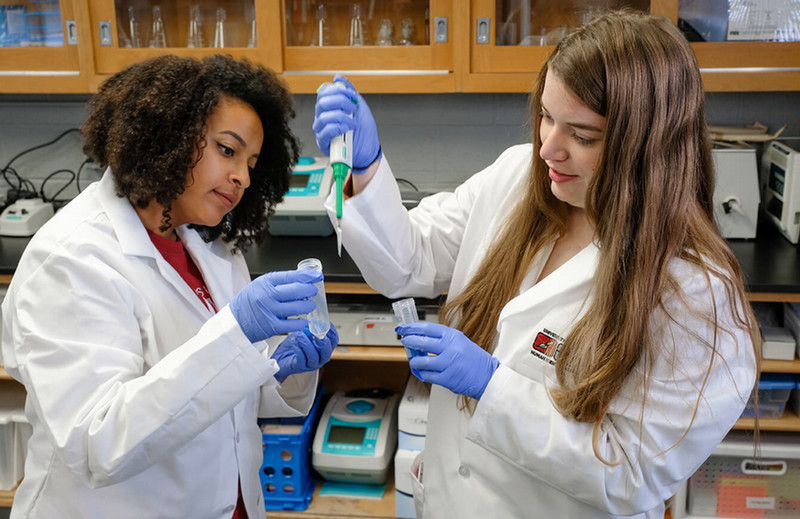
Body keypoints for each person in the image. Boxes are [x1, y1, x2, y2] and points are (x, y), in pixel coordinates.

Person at [312, 10, 760, 519]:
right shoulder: (517, 179)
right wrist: (367, 167)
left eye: (582, 136)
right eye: (546, 116)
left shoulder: (694, 291)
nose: (548, 148)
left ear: (648, 148)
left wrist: (492, 388)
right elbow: (408, 262)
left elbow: (630, 474)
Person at [1, 54, 338, 519]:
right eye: (227, 150)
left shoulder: (210, 247)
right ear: (170, 134)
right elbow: (98, 441)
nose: (242, 177)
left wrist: (279, 373)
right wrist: (236, 335)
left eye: (252, 163)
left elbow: (217, 393)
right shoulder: (72, 258)